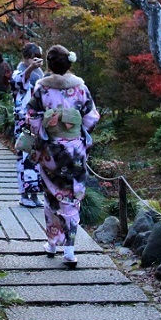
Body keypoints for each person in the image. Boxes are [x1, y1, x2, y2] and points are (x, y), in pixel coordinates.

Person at [25, 44, 100, 268]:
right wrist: (76, 132)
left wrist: (42, 134)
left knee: (51, 194)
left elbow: (31, 117)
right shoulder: (80, 88)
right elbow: (91, 117)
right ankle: (70, 249)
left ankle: (52, 243)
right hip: (74, 150)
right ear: (69, 63)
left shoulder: (41, 88)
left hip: (50, 151)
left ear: (49, 64)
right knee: (71, 196)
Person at [12, 43, 44, 207]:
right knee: (25, 157)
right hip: (24, 121)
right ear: (25, 57)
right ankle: (24, 194)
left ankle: (35, 195)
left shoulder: (41, 75)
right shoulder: (19, 72)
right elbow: (18, 83)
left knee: (37, 158)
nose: (35, 60)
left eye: (37, 56)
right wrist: (30, 68)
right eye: (32, 57)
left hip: (38, 120)